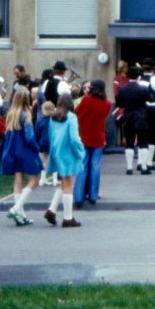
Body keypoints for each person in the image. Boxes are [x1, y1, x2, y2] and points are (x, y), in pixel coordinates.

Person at [1, 87, 43, 226]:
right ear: (27, 99)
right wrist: (37, 148)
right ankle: (16, 208)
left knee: (17, 179)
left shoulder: (11, 114)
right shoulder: (26, 114)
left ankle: (21, 215)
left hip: (12, 151)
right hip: (25, 151)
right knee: (34, 180)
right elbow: (30, 137)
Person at [43, 94, 86, 228]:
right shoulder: (71, 117)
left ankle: (52, 209)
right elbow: (74, 139)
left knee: (63, 183)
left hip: (57, 152)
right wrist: (81, 150)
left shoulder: (53, 117)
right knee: (69, 185)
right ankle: (68, 218)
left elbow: (51, 136)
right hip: (69, 153)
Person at [74, 80, 111, 207]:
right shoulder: (107, 104)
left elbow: (76, 113)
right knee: (95, 167)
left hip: (83, 135)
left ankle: (79, 196)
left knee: (82, 165)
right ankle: (93, 195)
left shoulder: (86, 100)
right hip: (98, 136)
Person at [117, 66, 152, 175]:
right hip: (141, 117)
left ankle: (129, 168)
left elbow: (120, 104)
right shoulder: (144, 89)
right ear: (138, 76)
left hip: (128, 117)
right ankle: (144, 167)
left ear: (128, 76)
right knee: (143, 142)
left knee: (129, 142)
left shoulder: (122, 89)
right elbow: (149, 100)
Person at [35, 101, 57, 187]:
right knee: (55, 161)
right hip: (53, 142)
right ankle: (55, 179)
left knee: (44, 161)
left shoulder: (40, 121)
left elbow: (36, 133)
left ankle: (42, 179)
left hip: (43, 143)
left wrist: (36, 142)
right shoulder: (55, 120)